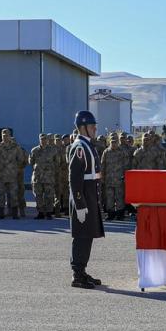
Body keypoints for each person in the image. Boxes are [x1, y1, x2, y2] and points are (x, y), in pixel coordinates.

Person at [67, 111, 106, 289]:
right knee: (82, 236)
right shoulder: (80, 147)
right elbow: (75, 180)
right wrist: (80, 205)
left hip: (90, 196)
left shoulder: (87, 145)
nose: (95, 129)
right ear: (82, 128)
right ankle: (77, 275)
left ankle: (82, 271)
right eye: (91, 126)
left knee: (87, 235)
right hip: (83, 198)